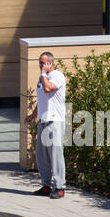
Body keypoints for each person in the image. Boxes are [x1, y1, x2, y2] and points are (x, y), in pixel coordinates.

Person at [33, 51, 66, 198]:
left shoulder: (57, 76)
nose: (40, 65)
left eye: (43, 62)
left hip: (55, 121)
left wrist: (43, 73)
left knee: (55, 156)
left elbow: (48, 89)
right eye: (39, 62)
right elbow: (42, 98)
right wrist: (33, 115)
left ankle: (59, 187)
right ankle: (46, 185)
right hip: (43, 120)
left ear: (50, 63)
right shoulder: (42, 78)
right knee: (42, 156)